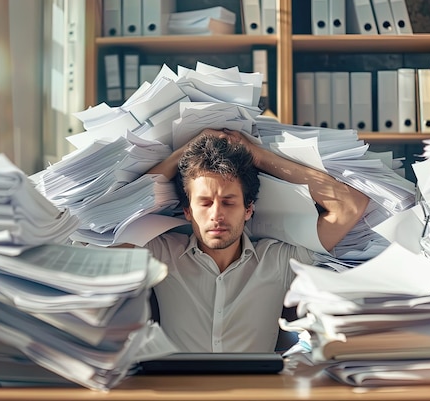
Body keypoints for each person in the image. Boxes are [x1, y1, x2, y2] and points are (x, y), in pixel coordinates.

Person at [141, 128, 369, 353]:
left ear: (248, 209)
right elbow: (110, 223)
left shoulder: (277, 260)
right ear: (187, 211)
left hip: (258, 389)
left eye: (228, 202)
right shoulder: (162, 254)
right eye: (205, 203)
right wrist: (186, 150)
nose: (216, 215)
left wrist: (256, 155)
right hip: (176, 388)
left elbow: (349, 206)